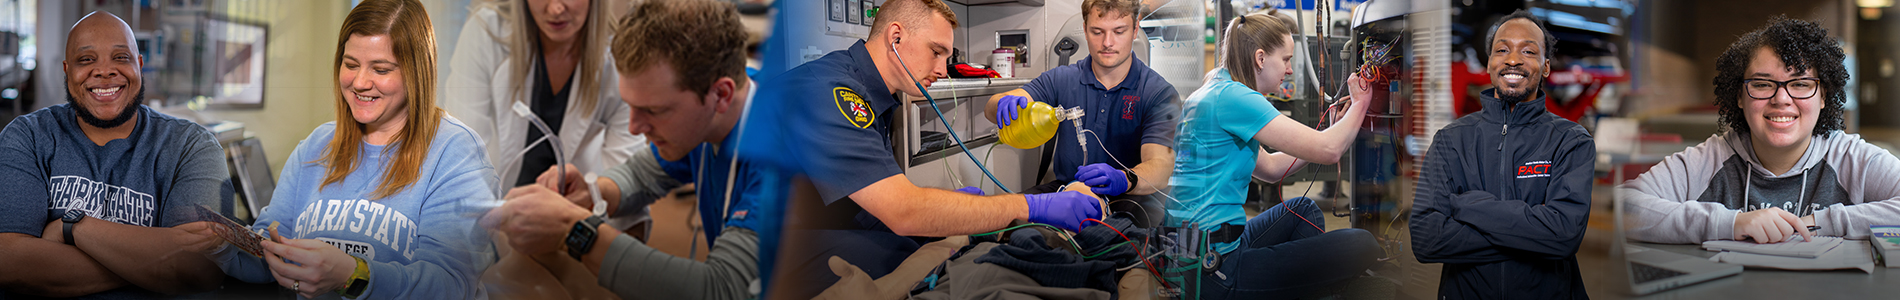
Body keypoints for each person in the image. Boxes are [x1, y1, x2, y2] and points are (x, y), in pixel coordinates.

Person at [746, 0, 1104, 297]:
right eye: (936, 52)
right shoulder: (832, 94)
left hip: (810, 225)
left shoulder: (874, 93)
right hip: (755, 245)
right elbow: (903, 211)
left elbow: (865, 199)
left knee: (928, 244)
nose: (942, 69)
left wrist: (954, 211)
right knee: (897, 258)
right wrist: (1032, 206)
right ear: (896, 37)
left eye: (946, 56)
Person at [482, 1, 777, 299]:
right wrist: (595, 192)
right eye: (631, 107)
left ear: (721, 94)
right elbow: (641, 173)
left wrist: (573, 230)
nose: (635, 128)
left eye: (653, 110)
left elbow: (722, 289)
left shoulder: (781, 162)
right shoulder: (712, 112)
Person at [206, 1, 499, 298]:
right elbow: (272, 255)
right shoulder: (315, 146)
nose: (359, 82)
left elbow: (449, 284)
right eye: (351, 65)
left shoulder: (457, 154)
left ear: (417, 71)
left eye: (381, 69)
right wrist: (220, 244)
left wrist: (354, 275)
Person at [0, 11, 229, 298]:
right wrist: (148, 264)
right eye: (86, 60)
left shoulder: (192, 146)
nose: (105, 71)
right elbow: (9, 262)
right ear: (67, 69)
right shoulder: (27, 137)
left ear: (139, 65)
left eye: (121, 57)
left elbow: (200, 267)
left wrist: (72, 227)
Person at [1618, 16, 1900, 244]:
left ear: (1823, 96)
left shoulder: (1851, 157)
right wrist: (1730, 223)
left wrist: (1821, 222)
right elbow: (1624, 207)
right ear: (1739, 96)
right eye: (1763, 84)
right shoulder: (1711, 158)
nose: (1781, 99)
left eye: (1800, 84)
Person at [1168, 10, 1381, 298]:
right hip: (1215, 271)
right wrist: (1361, 102)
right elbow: (1331, 150)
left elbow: (1268, 168)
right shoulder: (1237, 98)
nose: (1289, 69)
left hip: (1192, 253)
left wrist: (1332, 129)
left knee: (1302, 210)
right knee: (1362, 244)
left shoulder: (1210, 91)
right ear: (1260, 58)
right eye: (1286, 59)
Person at [1408, 10, 1595, 299]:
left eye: (1528, 51)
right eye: (1502, 50)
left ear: (1545, 67)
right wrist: (1530, 236)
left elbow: (1563, 236)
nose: (1513, 59)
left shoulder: (1570, 140)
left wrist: (1466, 207)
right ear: (1490, 64)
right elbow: (1426, 240)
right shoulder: (1451, 140)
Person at [983, 0, 1179, 226]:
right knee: (1005, 221)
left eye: (1119, 31)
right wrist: (1001, 104)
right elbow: (992, 107)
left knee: (1113, 243)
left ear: (1135, 30)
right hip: (1066, 189)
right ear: (1085, 29)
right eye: (1097, 32)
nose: (1107, 42)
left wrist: (1124, 179)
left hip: (1129, 197)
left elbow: (1160, 167)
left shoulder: (1158, 93)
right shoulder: (1061, 79)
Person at [444, 0, 642, 187]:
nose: (555, 8)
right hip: (493, 206)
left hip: (576, 210)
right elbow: (462, 153)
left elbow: (626, 177)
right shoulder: (485, 33)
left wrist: (591, 203)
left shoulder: (620, 59)